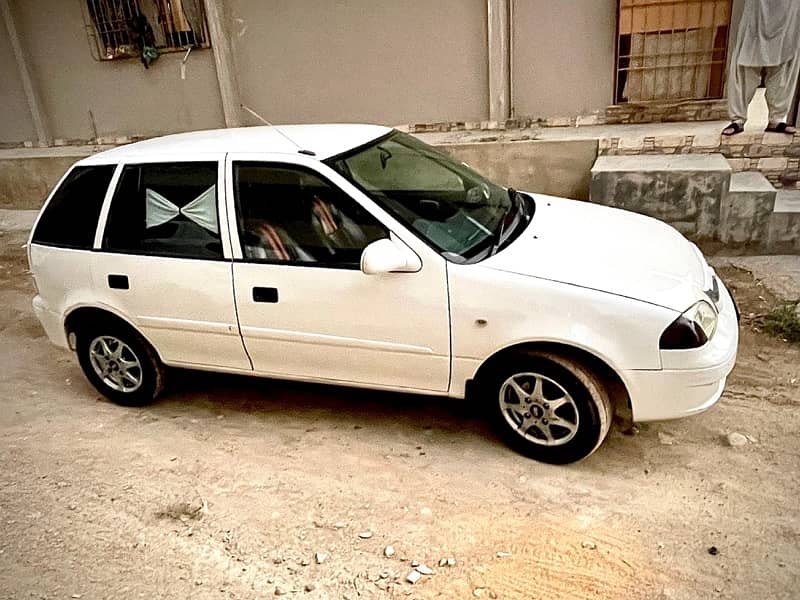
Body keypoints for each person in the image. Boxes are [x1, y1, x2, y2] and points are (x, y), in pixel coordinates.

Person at [722, 0, 800, 136]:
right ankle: (738, 119)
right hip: (757, 9)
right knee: (745, 61)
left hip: (789, 9)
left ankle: (777, 119)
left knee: (785, 62)